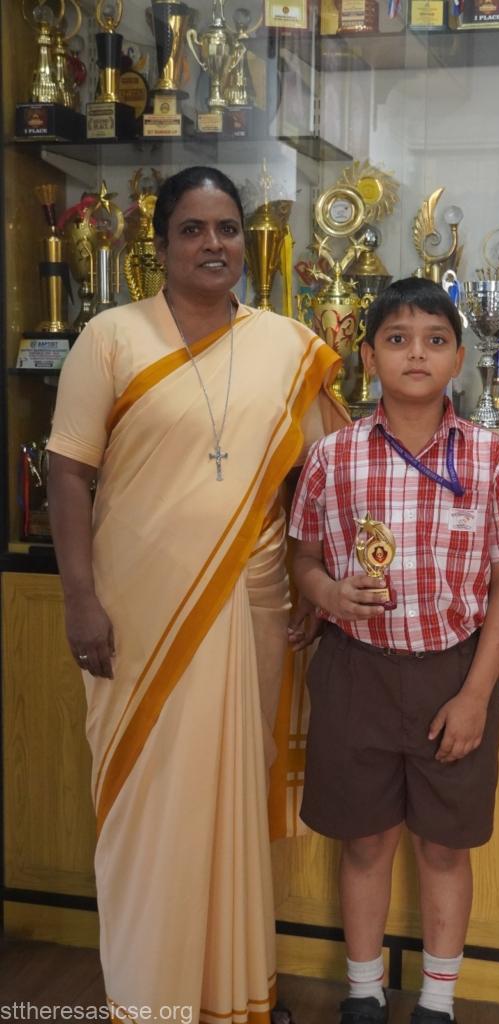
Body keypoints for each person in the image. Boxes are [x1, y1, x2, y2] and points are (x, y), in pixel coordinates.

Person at [46, 166, 347, 1022]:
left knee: (230, 805)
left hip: (252, 606)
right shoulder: (111, 336)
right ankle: (153, 1000)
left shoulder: (287, 345)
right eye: (193, 229)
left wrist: (315, 575)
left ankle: (234, 992)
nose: (213, 244)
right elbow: (67, 472)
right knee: (146, 808)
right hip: (133, 612)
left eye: (227, 229)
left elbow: (320, 474)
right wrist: (78, 600)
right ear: (161, 244)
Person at [289, 277, 499, 1024]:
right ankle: (363, 991)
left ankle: (437, 1000)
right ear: (368, 357)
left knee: (443, 847)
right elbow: (304, 560)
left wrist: (475, 695)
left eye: (435, 341)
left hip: (453, 675)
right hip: (356, 673)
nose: (416, 355)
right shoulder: (333, 456)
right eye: (397, 340)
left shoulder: (493, 458)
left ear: (458, 359)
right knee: (366, 842)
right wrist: (329, 592)